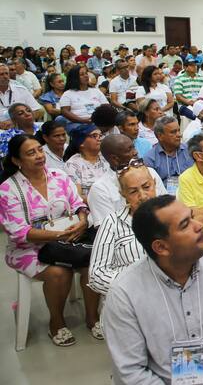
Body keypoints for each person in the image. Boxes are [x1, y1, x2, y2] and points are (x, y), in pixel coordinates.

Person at [103, 196, 203, 385]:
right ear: (161, 247)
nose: (199, 225)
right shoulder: (125, 293)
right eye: (185, 225)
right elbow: (131, 372)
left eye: (192, 217)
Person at [0, 135, 102, 346]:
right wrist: (59, 235)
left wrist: (83, 221)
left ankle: (93, 318)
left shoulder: (58, 176)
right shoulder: (8, 189)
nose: (39, 156)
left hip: (68, 240)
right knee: (59, 273)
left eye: (39, 150)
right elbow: (19, 232)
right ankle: (57, 322)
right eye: (31, 153)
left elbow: (78, 204)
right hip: (28, 248)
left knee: (93, 264)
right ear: (17, 160)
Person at [88, 163, 156, 295]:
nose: (142, 196)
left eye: (146, 187)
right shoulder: (113, 223)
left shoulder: (173, 216)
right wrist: (134, 286)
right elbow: (97, 275)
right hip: (129, 297)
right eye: (133, 191)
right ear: (123, 194)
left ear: (154, 183)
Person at [63, 124, 109, 200]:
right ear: (81, 143)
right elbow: (77, 197)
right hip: (89, 205)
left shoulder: (107, 158)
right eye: (94, 136)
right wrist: (103, 201)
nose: (99, 139)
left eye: (100, 136)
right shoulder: (72, 165)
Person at [59, 65, 109, 133]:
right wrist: (82, 120)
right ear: (75, 78)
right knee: (93, 129)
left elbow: (106, 106)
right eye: (82, 74)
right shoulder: (68, 94)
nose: (86, 76)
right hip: (78, 123)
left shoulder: (96, 91)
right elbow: (65, 111)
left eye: (86, 73)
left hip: (98, 121)